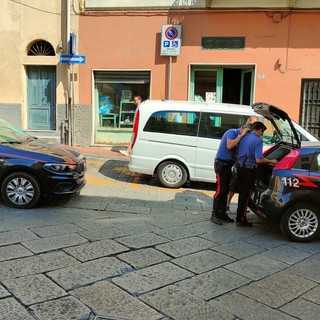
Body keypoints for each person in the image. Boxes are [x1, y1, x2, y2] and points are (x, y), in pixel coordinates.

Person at [235, 121, 277, 227]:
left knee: (241, 194)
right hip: (249, 170)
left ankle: (239, 217)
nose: (262, 134)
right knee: (245, 195)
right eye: (262, 132)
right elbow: (258, 160)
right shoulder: (257, 141)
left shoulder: (244, 137)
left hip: (240, 167)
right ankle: (241, 219)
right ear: (259, 130)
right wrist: (271, 161)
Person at [211, 121, 252, 225]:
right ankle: (214, 214)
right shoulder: (232, 132)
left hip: (229, 165)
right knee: (221, 190)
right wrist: (241, 136)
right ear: (243, 129)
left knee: (226, 190)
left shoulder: (239, 137)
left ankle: (222, 212)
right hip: (222, 165)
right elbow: (229, 146)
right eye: (247, 134)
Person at [226, 115, 258, 212]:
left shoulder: (250, 134)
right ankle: (227, 205)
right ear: (248, 121)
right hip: (238, 163)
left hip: (241, 163)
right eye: (252, 123)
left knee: (242, 188)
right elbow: (231, 146)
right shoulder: (239, 132)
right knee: (233, 187)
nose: (253, 125)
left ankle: (243, 207)